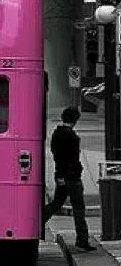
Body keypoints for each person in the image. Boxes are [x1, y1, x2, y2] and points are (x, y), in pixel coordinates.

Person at [44, 106, 96, 251]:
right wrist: (64, 175)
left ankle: (37, 221)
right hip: (71, 177)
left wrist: (59, 175)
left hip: (62, 175)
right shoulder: (70, 136)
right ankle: (82, 239)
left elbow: (57, 156)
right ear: (75, 120)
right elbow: (66, 158)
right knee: (79, 208)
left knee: (57, 203)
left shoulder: (57, 133)